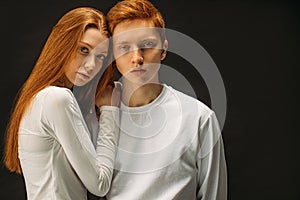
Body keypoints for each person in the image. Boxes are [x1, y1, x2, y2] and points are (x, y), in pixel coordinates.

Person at [101, 0, 228, 199]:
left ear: (164, 49)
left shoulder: (198, 118)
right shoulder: (98, 118)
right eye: (124, 47)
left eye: (147, 45)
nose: (137, 58)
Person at [3, 7, 120, 200]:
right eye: (84, 49)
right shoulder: (56, 99)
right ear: (62, 44)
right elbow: (100, 184)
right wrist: (110, 111)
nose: (91, 65)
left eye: (100, 57)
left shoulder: (40, 98)